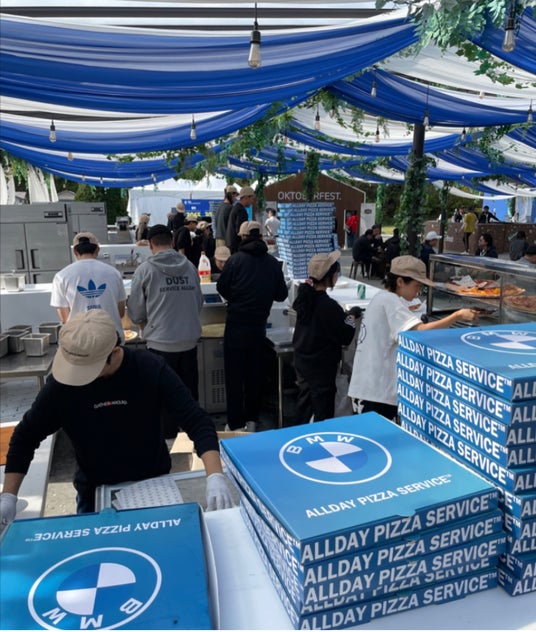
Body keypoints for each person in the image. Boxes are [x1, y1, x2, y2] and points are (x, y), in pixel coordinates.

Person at [0, 310, 234, 527]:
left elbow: (196, 421)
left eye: (88, 370)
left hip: (153, 484)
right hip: (94, 491)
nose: (80, 377)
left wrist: (215, 475)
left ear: (114, 353)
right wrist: (8, 497)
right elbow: (25, 437)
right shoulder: (62, 385)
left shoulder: (148, 368)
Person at [348, 256, 479, 422]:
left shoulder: (382, 297)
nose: (418, 291)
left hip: (369, 387)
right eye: (416, 286)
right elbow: (421, 331)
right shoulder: (390, 301)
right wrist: (457, 315)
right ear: (400, 282)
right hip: (374, 392)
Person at [217, 221, 288, 431]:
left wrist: (237, 298)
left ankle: (235, 423)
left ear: (243, 237)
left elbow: (222, 287)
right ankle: (252, 420)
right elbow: (281, 294)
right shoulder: (273, 263)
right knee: (254, 376)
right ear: (261, 237)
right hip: (258, 328)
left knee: (234, 377)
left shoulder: (235, 261)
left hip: (236, 326)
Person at [127, 224, 203, 407]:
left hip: (159, 343)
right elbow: (199, 302)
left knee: (163, 399)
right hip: (189, 342)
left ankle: (168, 427)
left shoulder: (144, 270)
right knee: (189, 399)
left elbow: (136, 312)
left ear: (150, 245)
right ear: (172, 242)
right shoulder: (190, 267)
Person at [292, 251, 358, 423]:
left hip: (302, 360)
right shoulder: (329, 306)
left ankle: (299, 432)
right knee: (323, 411)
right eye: (336, 272)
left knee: (305, 404)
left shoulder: (304, 298)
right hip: (321, 367)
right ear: (330, 277)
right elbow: (346, 336)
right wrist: (351, 316)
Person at [51, 231, 126, 340]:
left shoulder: (61, 276)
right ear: (97, 249)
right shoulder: (114, 273)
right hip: (111, 338)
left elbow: (65, 318)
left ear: (75, 251)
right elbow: (121, 312)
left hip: (80, 340)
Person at [226, 186, 255, 253]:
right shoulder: (241, 210)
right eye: (252, 199)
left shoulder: (236, 208)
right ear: (246, 197)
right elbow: (241, 231)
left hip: (231, 244)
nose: (253, 202)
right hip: (236, 246)